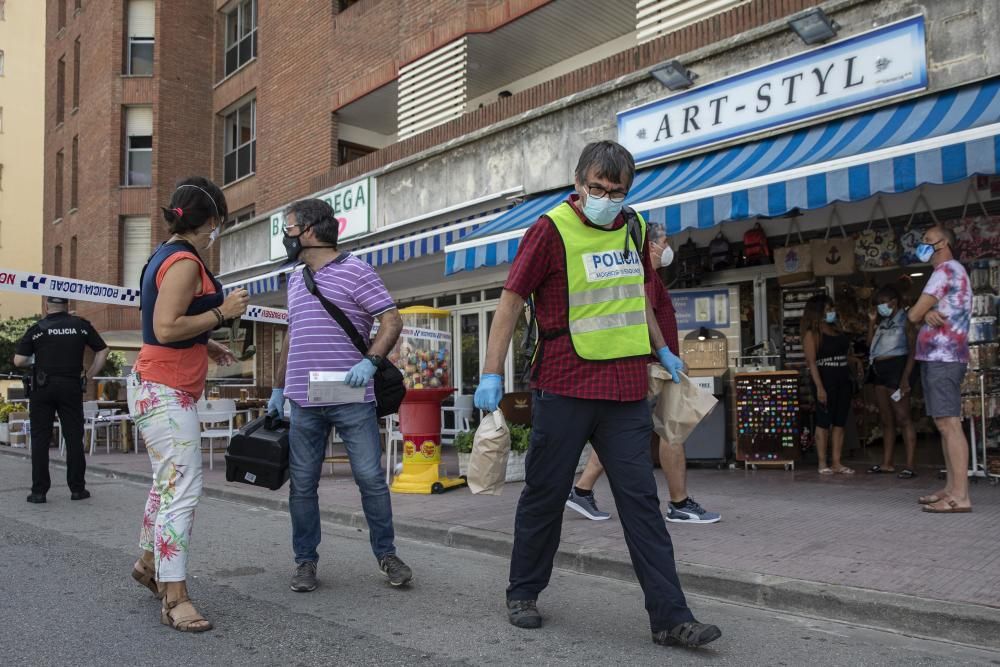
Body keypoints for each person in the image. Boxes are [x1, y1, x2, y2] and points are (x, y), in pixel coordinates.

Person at [474, 141, 721, 649]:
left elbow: (638, 296)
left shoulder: (633, 226)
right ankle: (523, 592)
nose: (607, 198)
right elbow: (511, 301)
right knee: (544, 493)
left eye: (617, 191)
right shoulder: (548, 230)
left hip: (626, 389)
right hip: (564, 386)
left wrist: (662, 349)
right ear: (579, 184)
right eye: (598, 189)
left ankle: (670, 618)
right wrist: (491, 372)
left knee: (641, 505)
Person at [268, 198, 411, 593]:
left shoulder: (356, 271)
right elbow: (292, 336)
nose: (286, 235)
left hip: (352, 395)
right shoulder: (296, 279)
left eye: (290, 227)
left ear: (310, 230)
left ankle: (387, 554)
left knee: (369, 479)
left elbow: (391, 319)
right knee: (302, 483)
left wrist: (371, 360)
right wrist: (278, 388)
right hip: (303, 399)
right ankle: (305, 562)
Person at [127, 177, 249, 632]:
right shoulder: (183, 261)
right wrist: (224, 311)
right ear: (214, 221)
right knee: (182, 488)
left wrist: (207, 341)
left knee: (166, 485)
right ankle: (174, 596)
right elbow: (165, 327)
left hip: (156, 382)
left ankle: (147, 565)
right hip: (165, 388)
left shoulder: (166, 253)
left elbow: (174, 323)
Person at [566, 226, 721, 524]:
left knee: (623, 435)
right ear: (650, 247)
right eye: (664, 242)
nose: (667, 248)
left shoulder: (649, 277)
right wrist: (666, 355)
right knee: (670, 431)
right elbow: (642, 314)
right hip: (653, 367)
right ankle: (679, 503)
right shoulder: (645, 277)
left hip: (654, 366)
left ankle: (582, 491)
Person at [14, 295, 109, 503]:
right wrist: (90, 374)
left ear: (47, 307)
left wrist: (39, 358)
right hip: (71, 386)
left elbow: (19, 360)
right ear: (68, 306)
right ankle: (77, 489)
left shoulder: (38, 328)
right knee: (74, 437)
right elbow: (103, 350)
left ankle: (39, 492)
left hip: (42, 387)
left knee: (40, 439)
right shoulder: (80, 326)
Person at [907, 225, 973, 513]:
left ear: (944, 243)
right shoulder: (952, 272)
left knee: (949, 423)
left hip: (943, 357)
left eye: (927, 240)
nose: (922, 245)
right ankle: (951, 488)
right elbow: (925, 313)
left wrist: (923, 312)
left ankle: (960, 495)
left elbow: (913, 313)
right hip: (940, 356)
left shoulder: (945, 270)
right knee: (944, 424)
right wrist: (928, 313)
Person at [865, 285, 918, 479]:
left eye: (881, 303)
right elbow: (869, 344)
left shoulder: (907, 320)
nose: (879, 307)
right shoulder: (882, 322)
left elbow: (913, 350)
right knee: (886, 419)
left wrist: (906, 377)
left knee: (903, 417)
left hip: (897, 367)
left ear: (893, 302)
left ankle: (910, 465)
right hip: (879, 369)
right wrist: (871, 323)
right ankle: (887, 463)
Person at [802, 294, 856, 475]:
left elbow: (841, 353)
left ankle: (837, 462)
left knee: (840, 421)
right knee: (823, 422)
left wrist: (854, 361)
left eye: (832, 308)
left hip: (843, 378)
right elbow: (811, 363)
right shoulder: (812, 334)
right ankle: (822, 462)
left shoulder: (837, 330)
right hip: (825, 379)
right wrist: (819, 387)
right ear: (818, 312)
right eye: (828, 309)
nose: (831, 312)